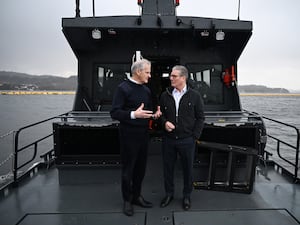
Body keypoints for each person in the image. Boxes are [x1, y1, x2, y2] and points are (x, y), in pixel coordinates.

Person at [110, 59, 161, 216]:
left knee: (140, 168)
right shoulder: (123, 88)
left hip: (143, 135)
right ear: (138, 72)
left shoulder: (145, 90)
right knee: (128, 169)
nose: (150, 75)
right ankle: (127, 200)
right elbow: (115, 112)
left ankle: (137, 196)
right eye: (147, 72)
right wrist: (133, 114)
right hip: (128, 136)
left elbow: (146, 111)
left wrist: (154, 114)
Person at [159, 65, 205, 210]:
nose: (170, 78)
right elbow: (160, 115)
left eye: (174, 76)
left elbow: (200, 118)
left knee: (188, 169)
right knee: (168, 169)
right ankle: (169, 194)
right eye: (171, 76)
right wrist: (164, 122)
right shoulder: (165, 95)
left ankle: (186, 196)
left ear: (183, 78)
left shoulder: (195, 96)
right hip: (169, 139)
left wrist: (194, 137)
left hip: (187, 140)